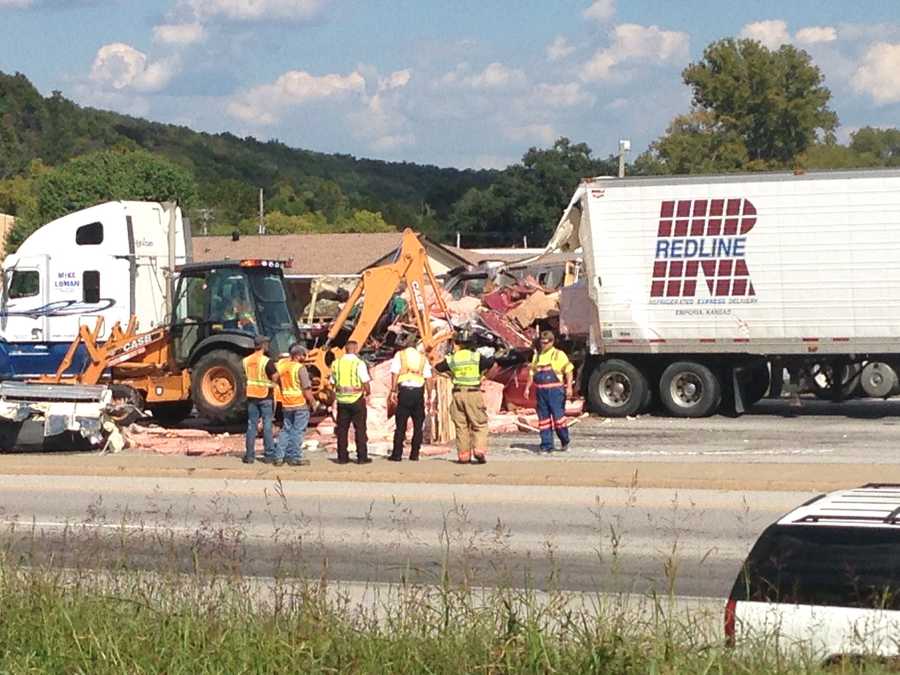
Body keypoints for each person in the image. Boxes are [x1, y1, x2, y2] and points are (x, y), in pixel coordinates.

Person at [435, 332, 493, 464]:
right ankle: (479, 450)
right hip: (473, 392)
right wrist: (483, 375)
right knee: (479, 423)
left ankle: (464, 455)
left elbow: (437, 368)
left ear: (458, 343)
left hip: (457, 393)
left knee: (461, 426)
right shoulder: (476, 357)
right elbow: (492, 364)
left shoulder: (453, 358)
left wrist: (451, 375)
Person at [524, 330, 575, 453]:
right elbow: (532, 373)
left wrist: (569, 387)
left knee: (559, 419)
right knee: (544, 420)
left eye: (546, 343)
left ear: (552, 342)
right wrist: (527, 388)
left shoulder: (558, 355)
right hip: (541, 392)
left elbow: (568, 371)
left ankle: (564, 440)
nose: (543, 345)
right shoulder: (537, 357)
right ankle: (546, 445)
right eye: (542, 343)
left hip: (555, 392)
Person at [388, 343, 433, 461]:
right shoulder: (423, 358)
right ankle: (414, 454)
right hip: (418, 394)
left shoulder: (400, 355)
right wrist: (429, 395)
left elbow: (395, 373)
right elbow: (429, 378)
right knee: (418, 426)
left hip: (404, 393)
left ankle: (397, 455)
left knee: (400, 425)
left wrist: (393, 390)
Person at [330, 340, 372, 465]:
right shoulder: (358, 363)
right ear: (355, 349)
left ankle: (342, 457)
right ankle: (362, 457)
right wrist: (368, 392)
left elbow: (332, 382)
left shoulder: (336, 363)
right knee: (360, 429)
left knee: (342, 430)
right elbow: (365, 381)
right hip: (356, 399)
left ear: (345, 349)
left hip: (342, 400)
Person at [274, 343, 315, 467]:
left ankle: (279, 457)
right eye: (304, 355)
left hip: (287, 403)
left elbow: (276, 379)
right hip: (300, 403)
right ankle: (295, 457)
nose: (305, 357)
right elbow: (306, 389)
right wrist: (313, 402)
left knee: (286, 430)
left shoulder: (283, 366)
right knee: (298, 431)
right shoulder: (300, 368)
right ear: (298, 355)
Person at [242, 334, 278, 464]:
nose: (268, 345)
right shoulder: (266, 361)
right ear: (263, 345)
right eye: (266, 343)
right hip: (265, 395)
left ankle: (249, 456)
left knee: (251, 425)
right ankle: (269, 455)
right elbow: (275, 377)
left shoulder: (246, 361)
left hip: (252, 395)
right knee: (267, 424)